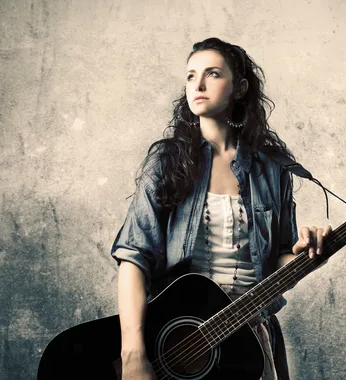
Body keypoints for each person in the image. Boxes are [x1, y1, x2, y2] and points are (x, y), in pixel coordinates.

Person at [110, 37, 332, 380]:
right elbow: (133, 258)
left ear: (240, 87)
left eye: (212, 74)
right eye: (190, 76)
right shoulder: (167, 162)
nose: (197, 85)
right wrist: (134, 356)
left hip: (250, 340)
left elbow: (282, 259)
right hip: (177, 340)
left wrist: (308, 253)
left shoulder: (273, 168)